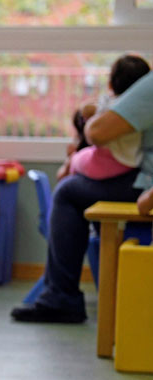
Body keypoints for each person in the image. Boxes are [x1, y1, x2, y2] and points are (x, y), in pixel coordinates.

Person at [12, 69, 153, 323]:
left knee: (69, 191)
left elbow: (97, 132)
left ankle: (61, 298)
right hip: (139, 181)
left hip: (146, 185)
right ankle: (101, 289)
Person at [57, 55, 150, 182]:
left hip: (111, 164)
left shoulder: (109, 110)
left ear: (110, 84)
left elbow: (90, 120)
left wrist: (71, 159)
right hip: (132, 165)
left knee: (74, 167)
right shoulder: (142, 110)